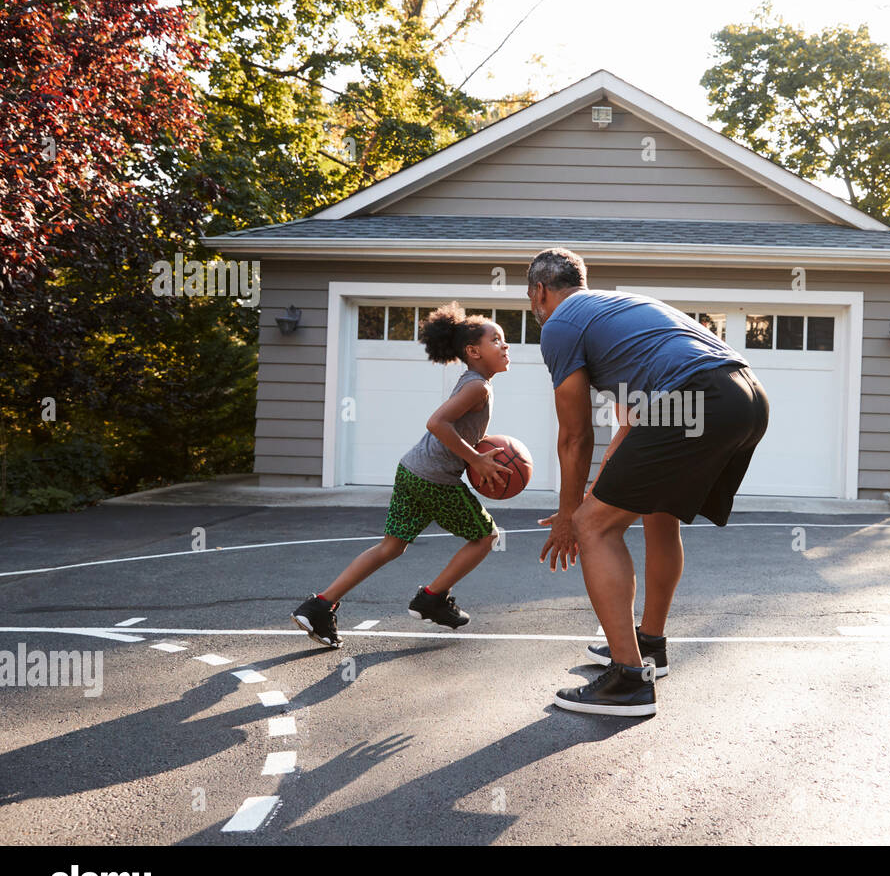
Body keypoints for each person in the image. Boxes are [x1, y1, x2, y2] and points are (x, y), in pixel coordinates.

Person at [530, 248, 770, 716]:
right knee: (658, 513)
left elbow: (576, 435)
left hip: (695, 396)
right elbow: (631, 422)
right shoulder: (621, 309)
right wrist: (601, 487)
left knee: (596, 528)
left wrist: (570, 516)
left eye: (531, 299)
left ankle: (627, 680)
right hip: (746, 397)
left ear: (540, 292)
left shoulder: (559, 325)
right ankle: (650, 646)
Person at [291, 303, 511, 648]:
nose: (506, 345)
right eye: (496, 339)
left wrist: (476, 450)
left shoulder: (476, 383)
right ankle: (432, 599)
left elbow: (455, 428)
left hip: (411, 471)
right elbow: (436, 423)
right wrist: (475, 460)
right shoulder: (478, 387)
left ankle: (319, 604)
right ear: (473, 351)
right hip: (433, 478)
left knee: (391, 546)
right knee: (485, 537)